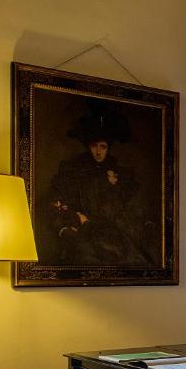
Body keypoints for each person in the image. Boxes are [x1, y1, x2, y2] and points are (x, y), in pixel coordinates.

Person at [44, 102, 156, 266]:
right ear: (88, 146)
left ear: (108, 147)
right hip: (85, 234)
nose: (98, 151)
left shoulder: (121, 173)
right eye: (93, 146)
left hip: (115, 235)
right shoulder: (73, 170)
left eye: (102, 146)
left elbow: (132, 209)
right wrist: (76, 219)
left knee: (134, 261)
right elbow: (57, 203)